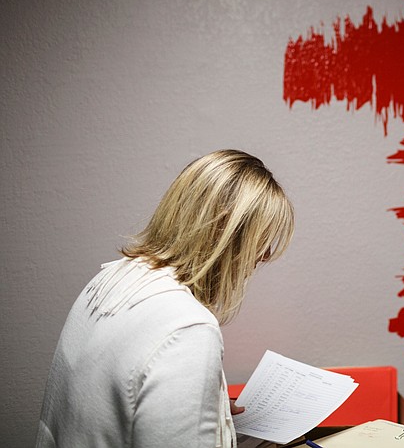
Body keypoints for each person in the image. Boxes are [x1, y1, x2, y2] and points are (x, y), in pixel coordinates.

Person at [36, 150, 294, 447]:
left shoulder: (110, 279)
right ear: (223, 233)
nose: (264, 257)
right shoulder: (189, 330)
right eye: (260, 240)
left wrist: (210, 417)